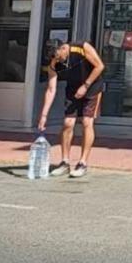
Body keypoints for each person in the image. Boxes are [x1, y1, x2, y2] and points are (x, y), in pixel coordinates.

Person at [38, 39, 106, 177]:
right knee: (68, 123)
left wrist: (85, 86)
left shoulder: (81, 47)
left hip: (92, 87)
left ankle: (82, 163)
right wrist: (43, 116)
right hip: (73, 89)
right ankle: (65, 162)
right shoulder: (54, 64)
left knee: (87, 122)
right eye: (54, 58)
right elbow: (51, 89)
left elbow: (99, 66)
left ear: (63, 48)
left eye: (58, 56)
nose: (58, 60)